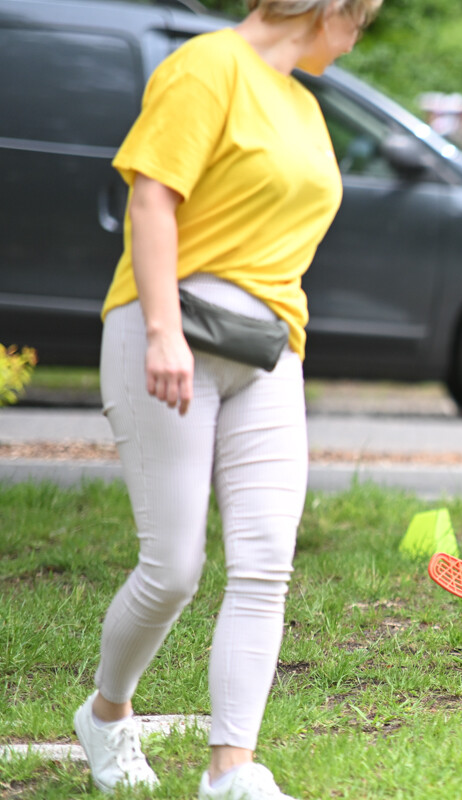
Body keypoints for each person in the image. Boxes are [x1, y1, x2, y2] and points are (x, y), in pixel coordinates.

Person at [72, 2, 379, 798]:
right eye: (362, 21)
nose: (357, 40)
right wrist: (165, 332)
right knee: (173, 568)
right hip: (166, 332)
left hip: (268, 352)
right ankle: (106, 715)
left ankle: (230, 771)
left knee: (265, 562)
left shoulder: (305, 104)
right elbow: (151, 199)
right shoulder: (207, 66)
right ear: (331, 10)